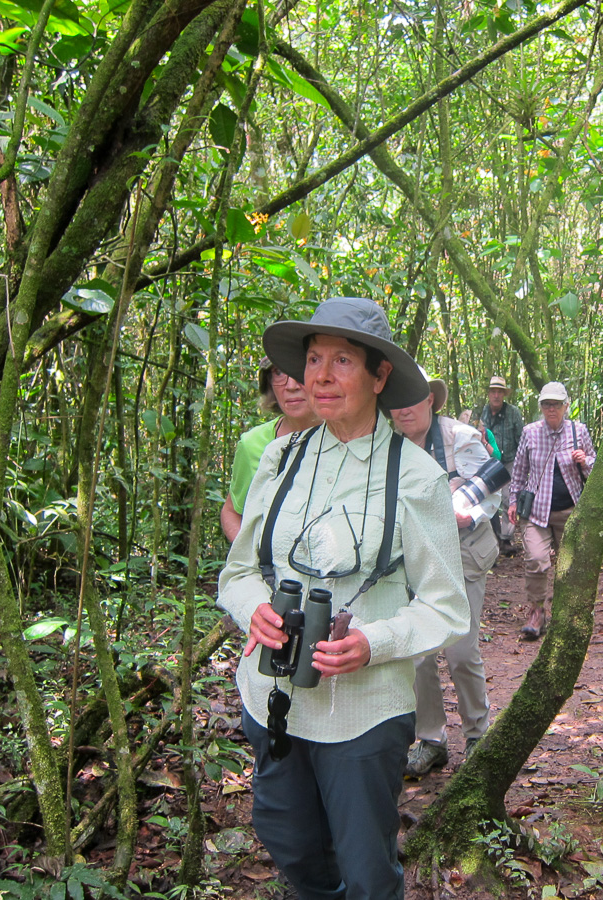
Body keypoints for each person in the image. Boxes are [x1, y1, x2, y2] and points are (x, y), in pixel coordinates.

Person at [217, 297, 469, 900]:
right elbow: (238, 570)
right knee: (290, 840)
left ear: (380, 376)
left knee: (367, 866)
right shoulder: (280, 458)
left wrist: (372, 643)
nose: (321, 376)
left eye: (342, 361)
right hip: (272, 693)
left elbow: (446, 605)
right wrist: (252, 604)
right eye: (313, 360)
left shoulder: (415, 477)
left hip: (363, 710)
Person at [390, 373, 501, 776]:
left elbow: (494, 481)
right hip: (417, 561)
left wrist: (464, 512)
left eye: (412, 398)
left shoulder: (459, 437)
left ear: (431, 401)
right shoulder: (390, 447)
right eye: (396, 400)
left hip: (465, 553)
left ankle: (477, 733)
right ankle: (431, 739)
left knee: (460, 650)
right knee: (418, 654)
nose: (403, 408)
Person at [507, 381, 595, 639]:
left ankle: (565, 613)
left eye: (556, 404)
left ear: (566, 406)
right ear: (541, 407)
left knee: (570, 566)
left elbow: (595, 465)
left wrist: (584, 460)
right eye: (546, 404)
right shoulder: (530, 432)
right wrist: (513, 501)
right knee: (535, 559)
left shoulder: (579, 432)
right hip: (536, 512)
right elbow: (520, 471)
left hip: (570, 511)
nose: (551, 409)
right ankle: (536, 612)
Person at [221, 357, 321, 542]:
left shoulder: (347, 438)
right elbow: (233, 511)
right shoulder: (253, 443)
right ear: (269, 385)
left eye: (300, 371)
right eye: (279, 372)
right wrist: (251, 559)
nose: (291, 386)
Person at [480, 375, 525, 552]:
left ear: (504, 394)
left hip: (509, 460)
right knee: (486, 498)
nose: (496, 395)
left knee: (509, 498)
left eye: (500, 392)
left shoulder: (513, 412)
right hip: (487, 463)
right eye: (493, 392)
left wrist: (522, 464)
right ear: (489, 394)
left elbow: (521, 439)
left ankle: (506, 539)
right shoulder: (482, 412)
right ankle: (491, 538)